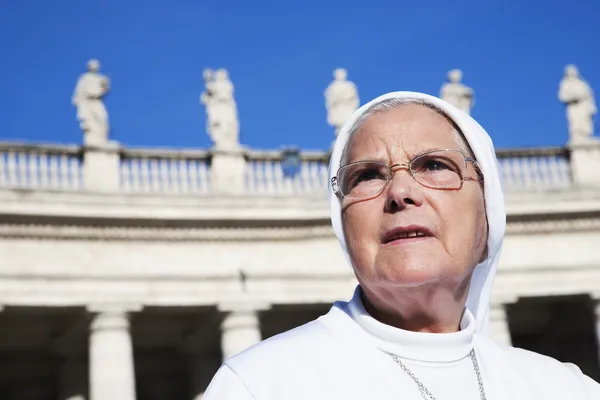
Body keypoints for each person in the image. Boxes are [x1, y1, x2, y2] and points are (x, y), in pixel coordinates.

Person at [203, 91, 600, 399]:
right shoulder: (259, 385)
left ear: (488, 212)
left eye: (434, 166)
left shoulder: (567, 390)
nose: (401, 192)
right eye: (368, 176)